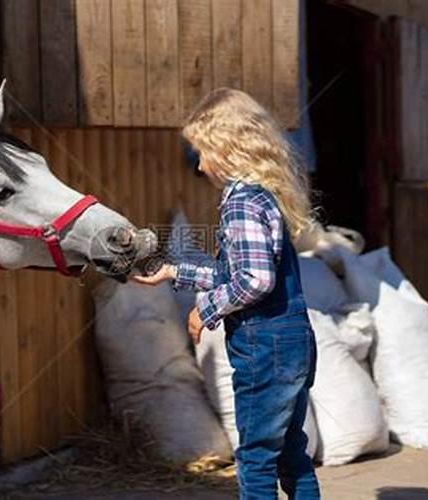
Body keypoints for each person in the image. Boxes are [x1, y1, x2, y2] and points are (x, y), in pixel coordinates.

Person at [134, 88, 320, 500]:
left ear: (229, 147)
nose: (198, 164)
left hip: (265, 348)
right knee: (291, 454)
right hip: (291, 342)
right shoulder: (264, 197)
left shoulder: (241, 204)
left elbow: (254, 280)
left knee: (255, 459)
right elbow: (234, 271)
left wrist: (206, 309)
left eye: (202, 152)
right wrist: (173, 270)